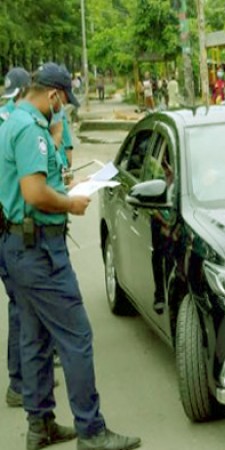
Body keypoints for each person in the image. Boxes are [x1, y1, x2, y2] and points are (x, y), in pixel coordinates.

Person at [0, 62, 141, 450]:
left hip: (19, 246)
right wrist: (70, 203)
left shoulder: (12, 121)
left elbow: (30, 183)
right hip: (40, 250)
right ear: (54, 95)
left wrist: (60, 186)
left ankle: (39, 424)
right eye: (63, 103)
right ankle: (91, 430)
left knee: (34, 338)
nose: (63, 109)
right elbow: (33, 193)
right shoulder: (31, 129)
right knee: (76, 336)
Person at [0, 67, 33, 409]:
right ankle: (19, 382)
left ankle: (26, 377)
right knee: (21, 305)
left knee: (20, 304)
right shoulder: (22, 123)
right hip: (12, 225)